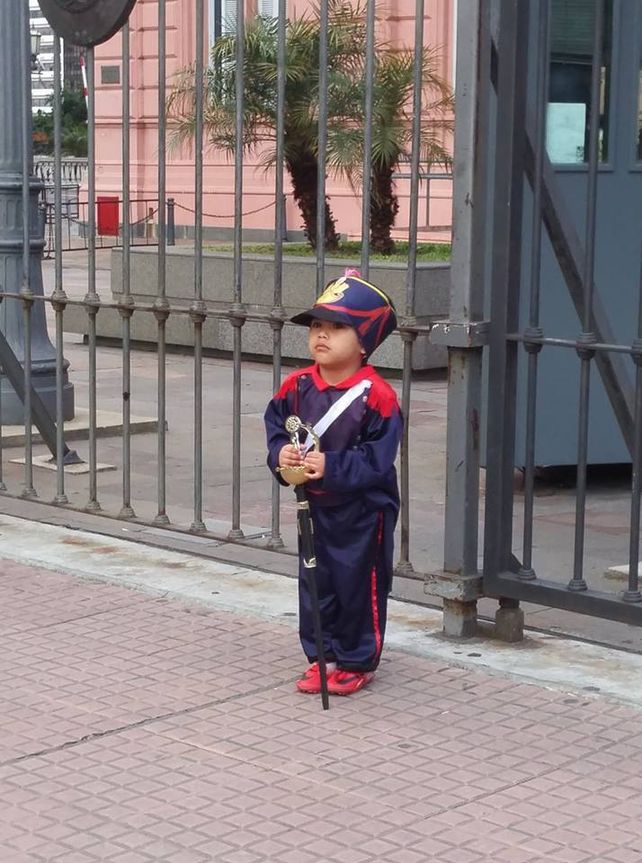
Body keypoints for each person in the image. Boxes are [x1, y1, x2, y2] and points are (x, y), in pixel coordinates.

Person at [264, 274, 402, 696]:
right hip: (316, 507)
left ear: (364, 342)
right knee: (315, 583)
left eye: (338, 326)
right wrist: (281, 456)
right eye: (316, 326)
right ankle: (322, 656)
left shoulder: (377, 396)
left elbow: (378, 459)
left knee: (358, 584)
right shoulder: (297, 385)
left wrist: (332, 465)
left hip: (363, 513)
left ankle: (357, 659)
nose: (322, 334)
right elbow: (276, 428)